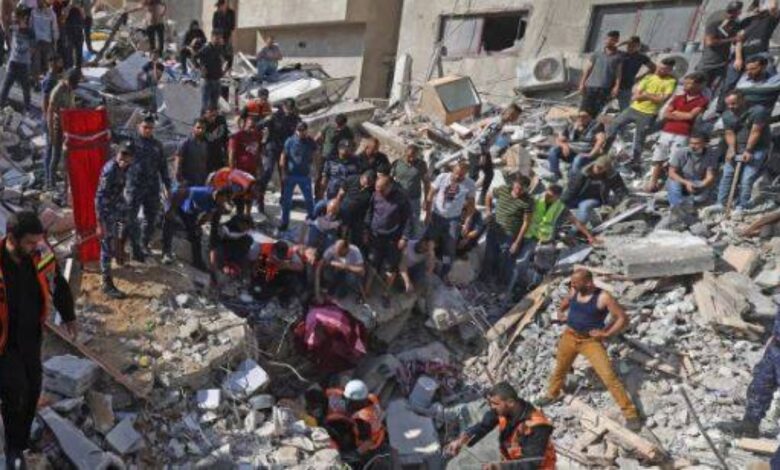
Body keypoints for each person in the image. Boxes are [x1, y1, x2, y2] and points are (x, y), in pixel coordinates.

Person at [0, 212, 77, 470]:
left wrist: (68, 314)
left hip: (31, 337)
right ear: (12, 239)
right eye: (30, 242)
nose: (36, 246)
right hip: (4, 342)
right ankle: (13, 449)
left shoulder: (40, 253)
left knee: (33, 389)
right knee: (15, 391)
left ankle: (21, 440)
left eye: (37, 241)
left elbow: (57, 282)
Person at [537, 269, 641, 431]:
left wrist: (606, 333)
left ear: (588, 283)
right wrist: (560, 311)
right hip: (569, 336)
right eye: (572, 282)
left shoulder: (603, 297)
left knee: (609, 377)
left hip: (590, 342)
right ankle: (552, 394)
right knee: (561, 368)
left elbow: (622, 318)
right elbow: (567, 299)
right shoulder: (575, 290)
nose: (572, 285)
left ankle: (630, 414)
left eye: (575, 282)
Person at [510, 185, 596, 300]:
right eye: (547, 194)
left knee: (541, 267)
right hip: (531, 236)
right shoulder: (536, 199)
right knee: (521, 262)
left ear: (557, 197)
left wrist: (589, 236)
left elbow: (575, 221)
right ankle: (516, 286)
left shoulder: (560, 207)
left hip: (546, 240)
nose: (547, 197)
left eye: (551, 196)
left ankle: (533, 288)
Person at [446, 382, 556, 469]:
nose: (492, 407)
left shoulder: (537, 426)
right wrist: (462, 439)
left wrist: (501, 467)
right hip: (513, 463)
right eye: (491, 403)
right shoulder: (504, 410)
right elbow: (484, 425)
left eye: (495, 403)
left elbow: (531, 464)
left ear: (510, 402)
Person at [605, 58, 677, 168]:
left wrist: (646, 95)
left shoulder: (671, 81)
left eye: (663, 69)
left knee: (639, 138)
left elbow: (662, 99)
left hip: (649, 113)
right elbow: (635, 96)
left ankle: (635, 161)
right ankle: (604, 149)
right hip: (633, 109)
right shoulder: (649, 77)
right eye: (659, 67)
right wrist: (652, 96)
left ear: (669, 70)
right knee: (614, 125)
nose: (659, 70)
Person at [646, 72, 709, 192]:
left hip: (683, 133)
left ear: (698, 85)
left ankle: (669, 186)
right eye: (685, 83)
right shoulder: (678, 98)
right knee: (658, 156)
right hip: (667, 130)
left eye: (689, 83)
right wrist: (681, 115)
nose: (685, 85)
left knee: (675, 161)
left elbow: (691, 116)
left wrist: (675, 113)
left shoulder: (702, 100)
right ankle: (652, 183)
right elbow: (666, 113)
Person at [715, 91, 770, 213]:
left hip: (757, 148)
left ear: (743, 100)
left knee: (747, 178)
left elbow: (755, 132)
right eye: (728, 104)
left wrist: (748, 151)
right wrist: (731, 149)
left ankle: (742, 206)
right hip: (737, 146)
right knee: (727, 174)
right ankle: (721, 203)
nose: (730, 107)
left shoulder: (757, 111)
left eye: (733, 103)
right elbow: (729, 133)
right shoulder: (727, 115)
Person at [126, 116, 172, 260]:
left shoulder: (157, 145)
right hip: (135, 185)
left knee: (151, 217)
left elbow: (163, 167)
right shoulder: (132, 143)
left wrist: (167, 185)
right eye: (145, 127)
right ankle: (132, 247)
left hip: (152, 186)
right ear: (139, 127)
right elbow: (121, 159)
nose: (147, 130)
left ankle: (144, 244)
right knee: (131, 217)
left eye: (150, 128)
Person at [719, 0, 780, 108]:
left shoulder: (769, 19)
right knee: (729, 83)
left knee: (769, 73)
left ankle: (765, 107)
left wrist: (767, 4)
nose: (760, 7)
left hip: (759, 54)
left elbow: (773, 7)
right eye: (758, 5)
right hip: (741, 55)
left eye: (762, 4)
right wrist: (738, 58)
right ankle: (721, 109)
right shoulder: (746, 21)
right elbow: (738, 39)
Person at [364, 174, 411, 305]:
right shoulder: (375, 195)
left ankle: (386, 293)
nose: (379, 192)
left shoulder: (401, 198)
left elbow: (408, 220)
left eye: (382, 190)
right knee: (372, 264)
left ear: (389, 186)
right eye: (377, 189)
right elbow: (370, 212)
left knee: (391, 268)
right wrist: (366, 230)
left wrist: (404, 237)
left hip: (393, 239)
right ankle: (366, 291)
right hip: (376, 237)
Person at [95, 142, 134, 299]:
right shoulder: (110, 170)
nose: (123, 160)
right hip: (106, 210)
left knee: (128, 224)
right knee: (107, 244)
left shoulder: (125, 167)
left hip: (117, 204)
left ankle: (119, 254)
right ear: (117, 154)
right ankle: (106, 283)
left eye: (127, 157)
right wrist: (99, 223)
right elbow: (99, 197)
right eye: (121, 155)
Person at [425, 161, 476, 280]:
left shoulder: (470, 184)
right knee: (428, 242)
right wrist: (428, 214)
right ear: (453, 170)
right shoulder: (443, 177)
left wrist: (467, 223)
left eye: (461, 175)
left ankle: (444, 271)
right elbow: (430, 194)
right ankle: (424, 267)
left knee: (449, 248)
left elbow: (471, 205)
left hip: (453, 219)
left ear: (466, 174)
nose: (458, 177)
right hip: (437, 216)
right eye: (456, 173)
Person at [483, 174, 533, 292]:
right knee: (489, 255)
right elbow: (489, 195)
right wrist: (488, 211)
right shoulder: (503, 189)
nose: (518, 191)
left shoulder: (528, 201)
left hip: (510, 234)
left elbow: (526, 223)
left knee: (505, 259)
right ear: (513, 184)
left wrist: (517, 242)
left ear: (526, 189)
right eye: (517, 188)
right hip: (494, 228)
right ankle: (485, 279)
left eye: (521, 189)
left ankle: (501, 284)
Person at [464, 103, 522, 205]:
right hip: (477, 151)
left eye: (516, 116)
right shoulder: (497, 124)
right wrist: (483, 155)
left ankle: (481, 198)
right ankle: (463, 198)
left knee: (489, 174)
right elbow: (484, 139)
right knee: (473, 177)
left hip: (483, 150)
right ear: (508, 114)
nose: (515, 118)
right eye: (514, 116)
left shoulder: (500, 123)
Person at [161, 185, 229, 270]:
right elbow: (180, 193)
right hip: (175, 200)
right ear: (216, 194)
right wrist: (171, 209)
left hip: (189, 213)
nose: (222, 202)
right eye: (222, 199)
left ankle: (198, 262)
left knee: (196, 235)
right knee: (170, 220)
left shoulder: (216, 204)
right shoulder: (201, 193)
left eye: (224, 201)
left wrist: (198, 226)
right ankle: (166, 252)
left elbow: (206, 217)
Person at [324, 379, 386, 465]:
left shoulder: (362, 419)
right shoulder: (371, 398)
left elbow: (368, 442)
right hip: (376, 429)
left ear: (356, 402)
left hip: (371, 442)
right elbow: (338, 394)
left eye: (349, 401)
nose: (346, 402)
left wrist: (354, 454)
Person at [260, 98, 300, 212]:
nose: (289, 110)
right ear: (283, 107)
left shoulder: (295, 119)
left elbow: (299, 131)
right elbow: (259, 125)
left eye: (291, 108)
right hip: (272, 147)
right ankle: (259, 199)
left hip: (285, 149)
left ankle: (285, 200)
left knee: (285, 175)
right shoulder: (274, 116)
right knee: (268, 171)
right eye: (287, 108)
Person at [563, 155, 628, 224]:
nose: (597, 169)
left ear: (606, 169)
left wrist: (616, 201)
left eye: (601, 168)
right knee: (562, 206)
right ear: (594, 164)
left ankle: (579, 227)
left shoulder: (610, 175)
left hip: (596, 199)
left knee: (585, 205)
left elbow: (620, 190)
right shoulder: (583, 174)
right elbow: (571, 190)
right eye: (597, 166)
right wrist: (561, 201)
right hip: (578, 197)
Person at [545, 110, 606, 181]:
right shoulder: (572, 126)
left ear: (590, 117)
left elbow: (600, 141)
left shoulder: (596, 126)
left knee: (578, 159)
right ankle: (556, 174)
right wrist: (564, 145)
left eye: (584, 117)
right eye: (579, 116)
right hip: (571, 151)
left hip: (586, 153)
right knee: (553, 150)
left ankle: (573, 180)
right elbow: (559, 140)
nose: (581, 118)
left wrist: (591, 154)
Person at [45, 67, 80, 189]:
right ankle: (51, 184)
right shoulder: (58, 91)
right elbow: (49, 112)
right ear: (66, 79)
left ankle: (66, 183)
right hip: (57, 127)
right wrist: (51, 132)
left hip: (68, 126)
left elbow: (72, 107)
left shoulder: (70, 89)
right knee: (55, 156)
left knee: (68, 156)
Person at [279, 121, 316, 231]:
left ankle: (311, 220)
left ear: (306, 130)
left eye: (303, 130)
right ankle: (284, 223)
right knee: (286, 201)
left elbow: (315, 154)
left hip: (305, 175)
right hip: (291, 175)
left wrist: (315, 170)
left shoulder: (310, 141)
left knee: (309, 200)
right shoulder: (290, 141)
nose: (301, 133)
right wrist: (283, 173)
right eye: (299, 130)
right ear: (296, 130)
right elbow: (283, 156)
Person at [697, 1, 742, 88]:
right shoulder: (714, 24)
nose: (731, 15)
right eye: (730, 12)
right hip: (707, 63)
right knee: (700, 87)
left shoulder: (735, 26)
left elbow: (737, 41)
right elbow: (710, 42)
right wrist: (732, 39)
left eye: (735, 12)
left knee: (717, 90)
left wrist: (738, 57)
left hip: (722, 64)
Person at [666, 133, 718, 208]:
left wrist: (700, 185)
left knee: (700, 198)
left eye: (696, 144)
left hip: (696, 180)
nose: (693, 146)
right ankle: (676, 206)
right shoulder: (681, 152)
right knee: (674, 184)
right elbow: (671, 173)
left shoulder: (710, 154)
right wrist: (687, 183)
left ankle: (685, 201)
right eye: (691, 143)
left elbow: (710, 176)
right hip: (681, 179)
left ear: (704, 144)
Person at [579, 30, 623, 117]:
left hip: (605, 89)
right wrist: (582, 83)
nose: (607, 41)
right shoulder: (597, 53)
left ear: (616, 41)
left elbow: (618, 73)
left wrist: (616, 86)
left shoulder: (619, 56)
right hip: (590, 87)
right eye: (607, 39)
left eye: (611, 40)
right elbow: (588, 69)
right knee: (583, 112)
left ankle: (591, 126)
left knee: (596, 114)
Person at [390, 144, 430, 238]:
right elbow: (390, 179)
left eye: (414, 156)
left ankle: (412, 240)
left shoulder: (421, 165)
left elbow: (426, 183)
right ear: (405, 153)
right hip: (399, 197)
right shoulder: (397, 163)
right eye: (409, 156)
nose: (411, 159)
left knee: (414, 220)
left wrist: (426, 200)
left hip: (414, 198)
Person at [0, 6, 34, 110]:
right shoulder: (13, 28)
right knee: (6, 85)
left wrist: (27, 56)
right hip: (13, 62)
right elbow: (5, 26)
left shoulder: (30, 32)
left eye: (16, 17)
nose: (14, 19)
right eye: (14, 18)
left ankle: (27, 108)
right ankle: (1, 106)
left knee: (26, 88)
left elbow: (32, 48)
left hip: (24, 63)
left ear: (23, 18)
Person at [228, 114, 263, 215]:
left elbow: (258, 153)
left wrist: (260, 168)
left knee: (250, 194)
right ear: (244, 124)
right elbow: (231, 154)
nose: (252, 129)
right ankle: (239, 215)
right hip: (240, 171)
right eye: (250, 126)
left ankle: (248, 215)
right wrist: (232, 171)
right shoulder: (237, 136)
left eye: (254, 127)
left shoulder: (257, 136)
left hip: (252, 170)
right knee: (239, 195)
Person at [315, 113, 353, 198]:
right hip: (325, 156)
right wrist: (317, 148)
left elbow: (352, 142)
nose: (339, 127)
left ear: (345, 124)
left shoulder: (347, 130)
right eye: (337, 125)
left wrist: (350, 153)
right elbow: (318, 137)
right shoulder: (328, 126)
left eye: (341, 126)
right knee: (320, 176)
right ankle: (318, 197)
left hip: (337, 159)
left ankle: (334, 197)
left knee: (336, 177)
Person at [209, 213, 253, 287]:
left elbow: (246, 247)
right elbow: (213, 248)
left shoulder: (245, 233)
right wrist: (213, 269)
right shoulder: (224, 229)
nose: (247, 229)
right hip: (222, 249)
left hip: (235, 249)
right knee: (218, 250)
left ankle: (237, 269)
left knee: (248, 242)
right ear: (240, 223)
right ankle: (221, 269)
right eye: (245, 226)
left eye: (248, 227)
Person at [336, 170, 376, 250]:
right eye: (366, 182)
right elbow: (340, 194)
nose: (367, 186)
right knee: (340, 236)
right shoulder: (351, 179)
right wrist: (336, 207)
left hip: (358, 219)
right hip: (344, 214)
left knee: (354, 241)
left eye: (370, 184)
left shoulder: (372, 190)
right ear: (362, 177)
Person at [616, 36, 655, 110]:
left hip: (626, 86)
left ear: (638, 46)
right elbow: (612, 48)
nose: (630, 47)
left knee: (624, 109)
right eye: (629, 45)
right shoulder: (621, 54)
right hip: (612, 85)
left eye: (633, 45)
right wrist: (623, 42)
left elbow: (653, 68)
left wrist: (639, 78)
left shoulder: (641, 57)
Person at [195, 30, 229, 113]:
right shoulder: (206, 48)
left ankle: (212, 119)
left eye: (219, 38)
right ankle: (202, 119)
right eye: (216, 38)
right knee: (205, 105)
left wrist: (224, 70)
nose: (218, 40)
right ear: (212, 38)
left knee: (214, 105)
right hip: (207, 80)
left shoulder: (220, 48)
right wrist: (200, 68)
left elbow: (227, 58)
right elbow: (194, 57)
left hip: (217, 80)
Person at [172, 118, 210, 189]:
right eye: (198, 128)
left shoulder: (204, 144)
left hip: (201, 182)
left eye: (203, 128)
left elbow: (204, 163)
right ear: (193, 128)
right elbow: (178, 162)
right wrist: (180, 180)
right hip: (187, 183)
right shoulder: (185, 143)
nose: (200, 130)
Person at [30, 0, 58, 83]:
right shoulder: (33, 12)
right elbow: (31, 26)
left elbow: (54, 28)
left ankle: (47, 84)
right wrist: (31, 43)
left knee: (47, 65)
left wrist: (55, 43)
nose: (39, 2)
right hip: (36, 42)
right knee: (36, 65)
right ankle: (36, 83)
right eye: (38, 1)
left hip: (47, 42)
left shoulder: (51, 13)